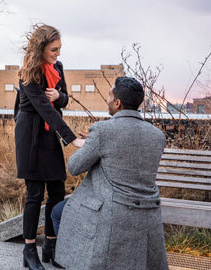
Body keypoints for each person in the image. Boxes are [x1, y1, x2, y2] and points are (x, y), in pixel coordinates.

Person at [53, 76, 169, 270]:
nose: (107, 100)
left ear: (117, 103)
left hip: (112, 210)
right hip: (148, 210)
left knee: (58, 212)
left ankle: (75, 262)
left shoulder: (102, 130)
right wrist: (98, 143)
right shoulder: (157, 135)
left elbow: (74, 167)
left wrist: (91, 144)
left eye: (109, 96)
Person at [14, 24, 84, 270]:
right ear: (41, 48)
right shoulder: (28, 73)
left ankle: (52, 247)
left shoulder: (58, 68)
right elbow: (43, 109)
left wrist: (60, 97)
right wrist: (72, 138)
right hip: (31, 136)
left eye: (59, 49)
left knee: (57, 190)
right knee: (34, 194)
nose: (57, 54)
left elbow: (62, 98)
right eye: (54, 49)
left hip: (49, 133)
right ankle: (30, 249)